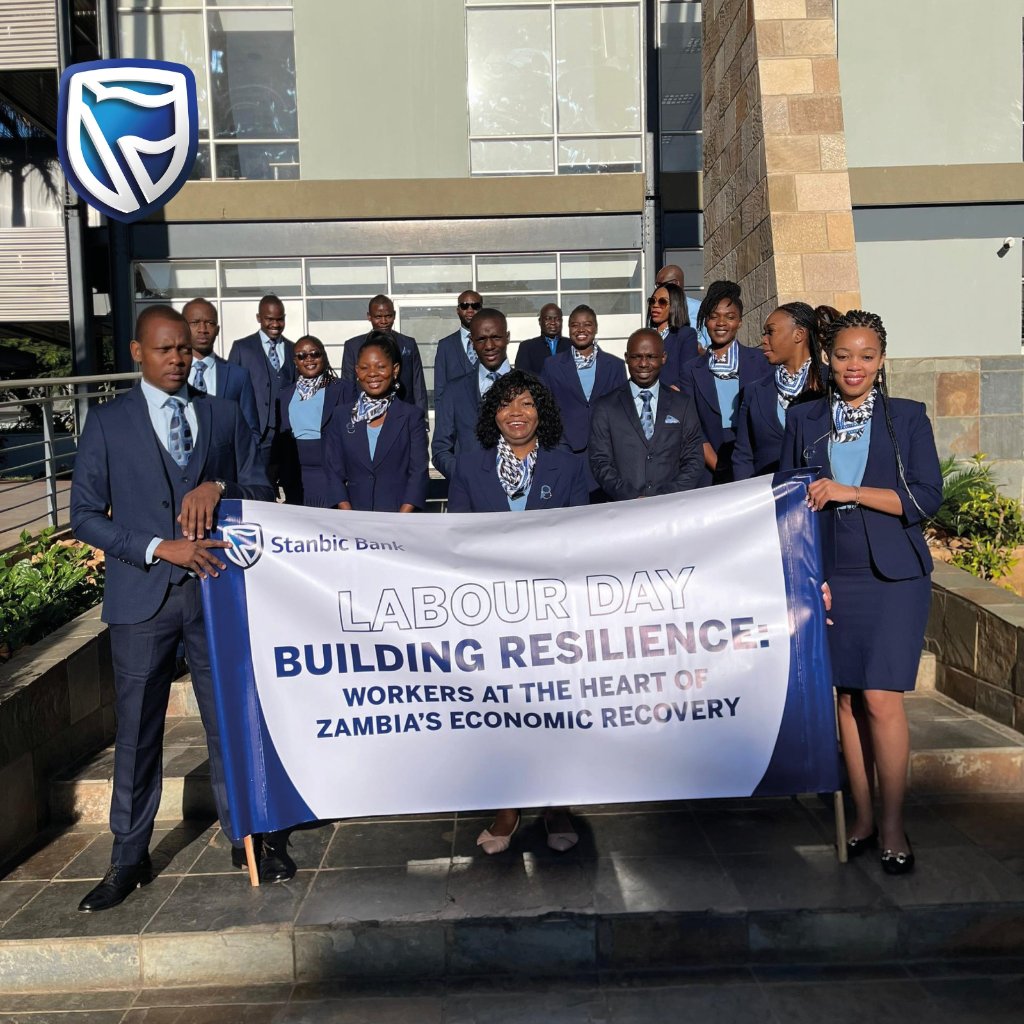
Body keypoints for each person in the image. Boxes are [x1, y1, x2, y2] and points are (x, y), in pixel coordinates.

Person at [69, 305, 291, 912]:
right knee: (138, 734)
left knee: (231, 720)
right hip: (141, 600)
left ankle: (251, 835)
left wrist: (216, 485)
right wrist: (155, 546)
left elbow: (257, 485)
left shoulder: (221, 413)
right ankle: (127, 858)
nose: (177, 359)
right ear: (138, 353)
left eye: (184, 351)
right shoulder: (108, 423)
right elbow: (83, 516)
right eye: (164, 350)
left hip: (215, 593)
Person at [780, 309, 942, 875]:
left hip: (893, 574)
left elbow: (924, 499)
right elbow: (789, 503)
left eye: (866, 356)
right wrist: (807, 575)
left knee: (879, 697)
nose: (854, 366)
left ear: (881, 361)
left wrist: (852, 490)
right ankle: (864, 819)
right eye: (844, 355)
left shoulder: (907, 417)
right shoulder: (803, 420)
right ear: (828, 357)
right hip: (831, 572)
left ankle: (896, 826)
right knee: (845, 698)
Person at [447, 370, 588, 853]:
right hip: (491, 612)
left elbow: (579, 538)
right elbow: (457, 542)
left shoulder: (566, 466)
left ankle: (555, 806)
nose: (516, 414)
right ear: (493, 414)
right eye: (506, 405)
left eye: (526, 404)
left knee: (552, 708)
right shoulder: (469, 467)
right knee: (499, 713)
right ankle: (507, 809)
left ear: (540, 412)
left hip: (550, 611)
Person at [589, 328, 704, 500]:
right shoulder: (605, 407)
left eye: (651, 357)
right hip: (623, 510)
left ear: (663, 357)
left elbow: (694, 460)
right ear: (627, 358)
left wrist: (663, 497)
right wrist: (632, 497)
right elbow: (600, 462)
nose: (643, 364)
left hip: (671, 508)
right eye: (636, 357)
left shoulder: (683, 404)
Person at [324, 332, 429, 512]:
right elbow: (333, 472)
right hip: (353, 522)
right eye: (365, 368)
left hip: (400, 521)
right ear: (357, 371)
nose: (372, 374)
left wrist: (401, 519)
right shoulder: (341, 416)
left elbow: (418, 473)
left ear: (395, 370)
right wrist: (348, 514)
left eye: (381, 367)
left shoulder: (411, 416)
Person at [685, 280, 771, 486]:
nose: (721, 323)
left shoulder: (762, 362)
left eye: (730, 317)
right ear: (705, 321)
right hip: (709, 462)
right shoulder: (690, 369)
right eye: (714, 317)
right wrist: (719, 467)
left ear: (740, 321)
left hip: (756, 461)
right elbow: (691, 426)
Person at [732, 302, 830, 480]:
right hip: (767, 499)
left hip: (822, 496)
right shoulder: (754, 391)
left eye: (770, 332)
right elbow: (743, 455)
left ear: (798, 334)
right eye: (764, 333)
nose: (764, 340)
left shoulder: (831, 383)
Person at [541, 304, 626, 501]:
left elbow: (623, 410)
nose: (581, 330)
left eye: (587, 324)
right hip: (567, 451)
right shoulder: (552, 365)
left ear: (596, 328)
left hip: (607, 454)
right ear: (568, 329)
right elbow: (546, 408)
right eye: (575, 325)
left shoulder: (615, 365)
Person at [431, 307, 513, 480]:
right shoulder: (454, 391)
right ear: (472, 342)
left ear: (507, 337)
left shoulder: (531, 386)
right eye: (481, 339)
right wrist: (465, 479)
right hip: (470, 498)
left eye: (496, 337)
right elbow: (441, 449)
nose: (489, 346)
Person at [227, 293, 296, 498]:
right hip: (258, 432)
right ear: (259, 318)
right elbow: (232, 391)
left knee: (290, 484)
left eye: (279, 319)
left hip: (287, 432)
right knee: (260, 486)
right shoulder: (242, 348)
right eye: (269, 319)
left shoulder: (293, 348)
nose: (275, 324)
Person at [277, 335, 352, 507]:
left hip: (331, 474)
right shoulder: (285, 395)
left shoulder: (344, 389)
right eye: (302, 356)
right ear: (295, 361)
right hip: (297, 476)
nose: (308, 359)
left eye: (314, 354)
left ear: (323, 356)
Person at [182, 297, 260, 440]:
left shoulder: (238, 376)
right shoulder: (172, 374)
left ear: (217, 330)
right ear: (182, 327)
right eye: (195, 323)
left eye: (209, 323)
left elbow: (251, 431)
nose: (202, 329)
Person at [340, 295, 428, 420]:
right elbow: (348, 386)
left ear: (394, 315)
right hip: (365, 415)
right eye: (378, 317)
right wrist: (349, 419)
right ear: (369, 317)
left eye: (388, 316)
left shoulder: (408, 344)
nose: (384, 321)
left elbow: (418, 385)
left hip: (403, 414)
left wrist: (422, 421)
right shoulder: (353, 346)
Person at [433, 289, 483, 404]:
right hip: (456, 417)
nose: (470, 310)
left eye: (475, 306)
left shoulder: (491, 342)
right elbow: (440, 391)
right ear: (458, 310)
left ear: (481, 309)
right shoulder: (445, 346)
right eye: (464, 306)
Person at [648, 282, 700, 389]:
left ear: (675, 305)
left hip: (672, 399)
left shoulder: (686, 335)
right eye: (652, 301)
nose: (655, 305)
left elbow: (688, 374)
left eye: (662, 302)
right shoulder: (645, 336)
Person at [656, 264, 706, 350]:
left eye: (661, 284)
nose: (658, 288)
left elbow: (712, 346)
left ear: (676, 283)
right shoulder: (656, 309)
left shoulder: (701, 309)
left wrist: (700, 351)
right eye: (657, 285)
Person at [514, 303, 570, 376]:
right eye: (548, 319)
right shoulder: (527, 347)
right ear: (540, 321)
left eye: (557, 319)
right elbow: (521, 374)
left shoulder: (571, 345)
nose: (553, 322)